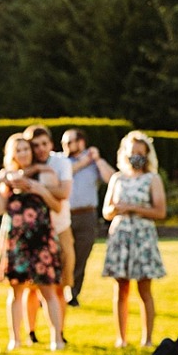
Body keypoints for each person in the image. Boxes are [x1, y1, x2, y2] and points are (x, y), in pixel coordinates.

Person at [0, 134, 64, 351]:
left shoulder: (45, 173)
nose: (23, 153)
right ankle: (15, 338)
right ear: (11, 154)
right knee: (16, 291)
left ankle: (56, 339)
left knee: (47, 290)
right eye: (18, 150)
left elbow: (57, 206)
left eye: (26, 149)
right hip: (16, 240)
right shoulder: (6, 178)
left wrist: (36, 187)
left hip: (40, 238)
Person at [101, 130, 167, 348]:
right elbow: (106, 211)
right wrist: (116, 209)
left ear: (147, 155)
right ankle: (121, 338)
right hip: (121, 236)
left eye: (141, 152)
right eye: (133, 152)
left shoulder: (152, 179)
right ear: (125, 153)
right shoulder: (117, 178)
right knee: (121, 290)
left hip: (143, 237)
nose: (136, 156)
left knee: (144, 290)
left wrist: (133, 208)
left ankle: (147, 339)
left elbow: (160, 212)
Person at [23, 125, 74, 338]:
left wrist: (38, 187)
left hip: (60, 228)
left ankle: (59, 331)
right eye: (35, 146)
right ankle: (31, 332)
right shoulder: (26, 164)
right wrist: (32, 172)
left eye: (44, 144)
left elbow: (64, 192)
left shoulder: (60, 163)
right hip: (33, 232)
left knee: (60, 284)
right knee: (31, 287)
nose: (40, 149)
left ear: (51, 144)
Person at [61, 128, 114, 305]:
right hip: (64, 215)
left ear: (81, 143)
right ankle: (54, 292)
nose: (65, 146)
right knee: (61, 255)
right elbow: (64, 175)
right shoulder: (60, 161)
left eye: (69, 142)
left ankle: (73, 293)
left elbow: (111, 179)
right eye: (64, 142)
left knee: (81, 255)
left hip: (87, 215)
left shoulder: (93, 163)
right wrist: (82, 163)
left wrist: (97, 159)